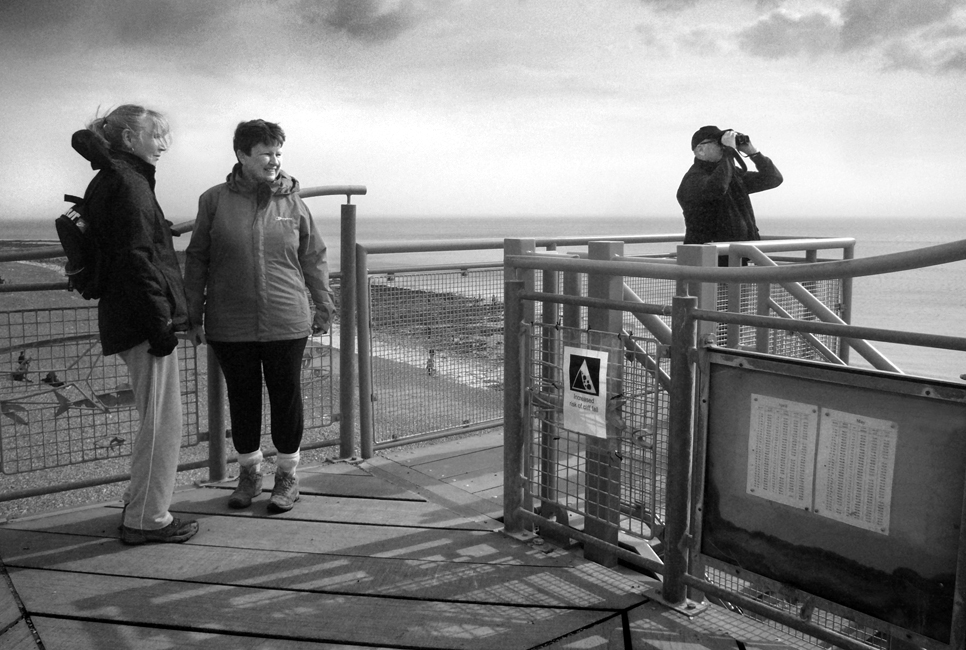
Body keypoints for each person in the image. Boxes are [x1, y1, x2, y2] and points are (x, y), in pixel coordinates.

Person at [184, 119, 335, 513]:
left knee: (286, 397)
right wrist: (193, 314)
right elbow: (197, 257)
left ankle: (287, 476)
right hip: (229, 320)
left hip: (287, 318)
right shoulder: (213, 200)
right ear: (241, 155)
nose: (275, 160)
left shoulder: (294, 202)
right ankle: (249, 472)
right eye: (266, 152)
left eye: (279, 152)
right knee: (243, 398)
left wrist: (323, 305)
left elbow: (313, 257)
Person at [72, 105, 199, 545]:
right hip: (143, 320)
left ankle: (138, 503)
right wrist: (160, 324)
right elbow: (136, 259)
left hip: (124, 315)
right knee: (162, 425)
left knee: (154, 419)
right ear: (129, 139)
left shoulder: (113, 177)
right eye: (155, 135)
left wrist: (159, 227)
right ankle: (148, 518)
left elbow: (129, 241)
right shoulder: (130, 183)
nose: (163, 144)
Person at [676, 125, 783, 250]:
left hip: (736, 257)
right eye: (719, 143)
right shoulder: (693, 179)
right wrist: (729, 152)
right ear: (700, 150)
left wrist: (753, 153)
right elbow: (717, 188)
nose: (723, 147)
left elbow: (773, 178)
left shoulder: (732, 175)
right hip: (707, 261)